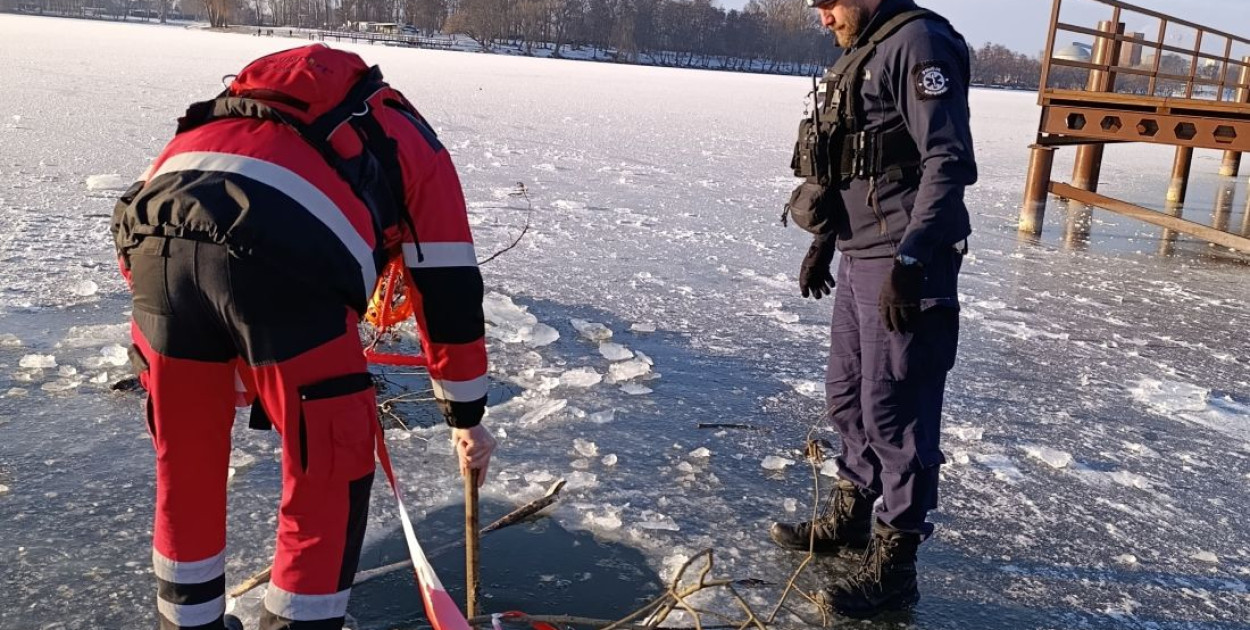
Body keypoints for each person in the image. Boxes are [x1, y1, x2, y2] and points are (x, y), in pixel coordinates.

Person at [111, 45, 496, 630]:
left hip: (155, 258)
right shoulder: (405, 133)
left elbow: (140, 227)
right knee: (330, 467)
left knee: (184, 462)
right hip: (291, 267)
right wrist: (466, 414)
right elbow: (447, 283)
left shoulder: (220, 115)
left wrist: (212, 350)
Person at [770, 0, 976, 618]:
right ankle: (853, 517)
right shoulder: (867, 49)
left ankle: (895, 568)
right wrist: (824, 242)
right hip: (862, 253)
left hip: (908, 259)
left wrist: (912, 262)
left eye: (828, 3)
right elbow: (855, 163)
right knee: (848, 394)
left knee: (898, 413)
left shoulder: (920, 44)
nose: (823, 17)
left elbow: (947, 161)